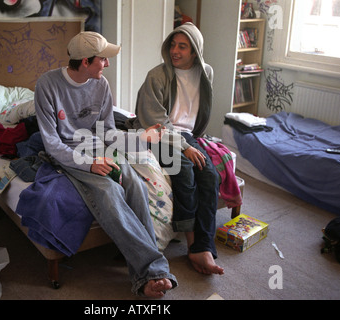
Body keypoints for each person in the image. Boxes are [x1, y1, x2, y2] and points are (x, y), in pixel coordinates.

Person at [34, 31, 177, 297]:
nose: (107, 64)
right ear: (85, 61)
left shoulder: (101, 85)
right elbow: (52, 144)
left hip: (97, 147)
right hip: (70, 152)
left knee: (135, 185)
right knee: (109, 191)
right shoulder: (47, 85)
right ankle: (154, 270)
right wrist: (89, 165)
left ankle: (143, 277)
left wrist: (141, 139)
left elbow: (107, 132)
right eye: (103, 59)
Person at [127, 22, 224, 275]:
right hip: (155, 134)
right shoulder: (157, 76)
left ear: (195, 52)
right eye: (173, 45)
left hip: (186, 135)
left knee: (210, 175)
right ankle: (193, 245)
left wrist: (192, 141)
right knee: (184, 171)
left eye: (183, 46)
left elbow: (200, 111)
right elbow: (154, 121)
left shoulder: (206, 73)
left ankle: (204, 245)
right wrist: (184, 147)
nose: (175, 51)